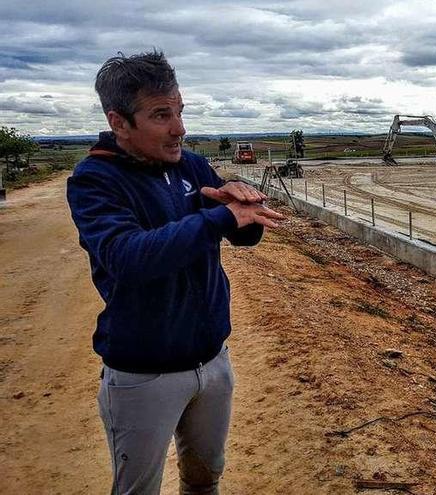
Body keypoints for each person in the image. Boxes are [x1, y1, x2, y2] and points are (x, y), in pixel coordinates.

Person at [66, 50, 283, 494]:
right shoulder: (94, 180)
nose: (179, 128)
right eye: (161, 115)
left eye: (180, 111)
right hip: (142, 374)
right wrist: (220, 219)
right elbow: (129, 257)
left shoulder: (189, 165)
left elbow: (235, 236)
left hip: (212, 361)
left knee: (205, 480)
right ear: (119, 121)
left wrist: (246, 211)